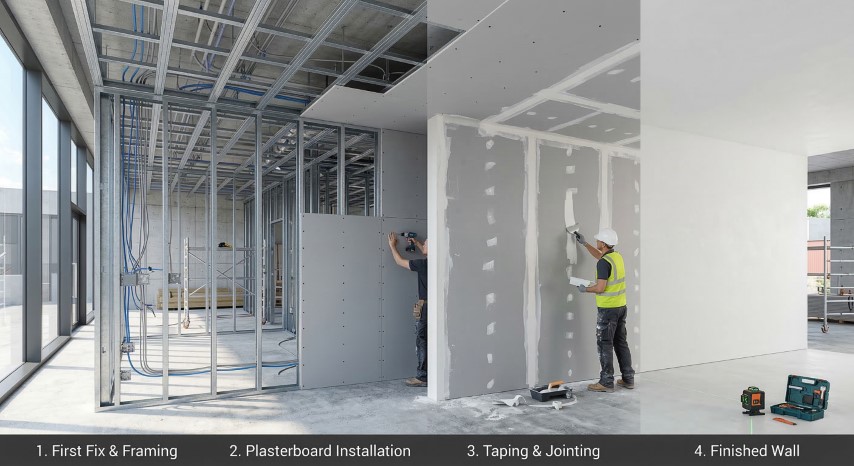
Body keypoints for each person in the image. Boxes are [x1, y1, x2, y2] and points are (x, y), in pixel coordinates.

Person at [574, 228, 635, 392]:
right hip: (621, 307)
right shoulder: (616, 257)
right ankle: (628, 378)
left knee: (604, 343)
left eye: (597, 240)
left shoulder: (603, 263)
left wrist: (584, 289)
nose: (597, 242)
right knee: (620, 342)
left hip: (608, 309)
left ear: (603, 243)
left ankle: (606, 382)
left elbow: (600, 287)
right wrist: (585, 244)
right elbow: (600, 256)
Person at [387, 232, 428, 387]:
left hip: (426, 309)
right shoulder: (436, 263)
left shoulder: (423, 264)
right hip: (435, 307)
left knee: (422, 341)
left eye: (425, 244)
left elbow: (399, 261)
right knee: (429, 341)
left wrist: (392, 246)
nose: (423, 244)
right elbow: (427, 252)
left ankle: (423, 377)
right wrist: (417, 243)